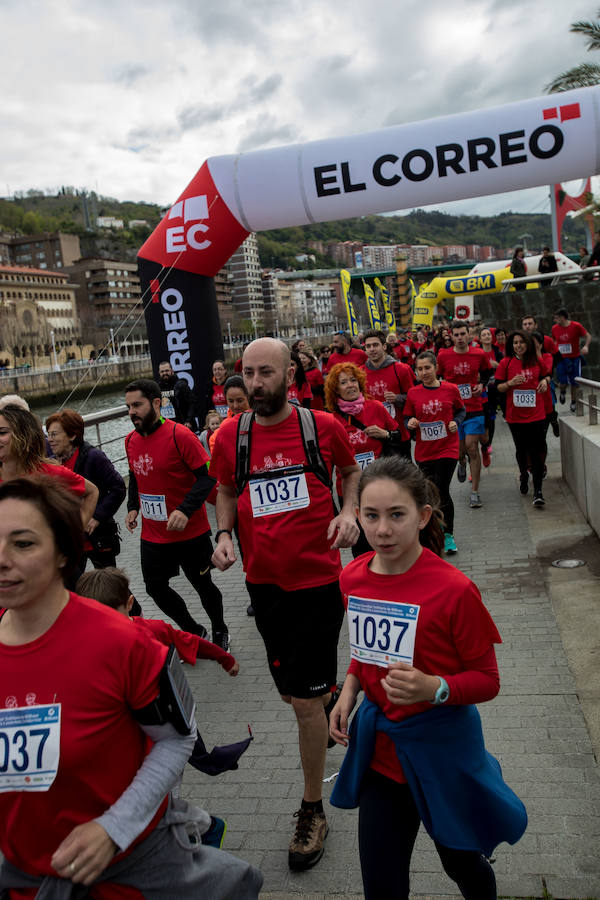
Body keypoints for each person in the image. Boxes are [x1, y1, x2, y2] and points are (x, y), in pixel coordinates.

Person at [0, 475, 262, 899]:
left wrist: (113, 827)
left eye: (23, 543)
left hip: (128, 868)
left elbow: (178, 740)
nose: (2, 559)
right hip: (22, 875)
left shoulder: (125, 641)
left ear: (64, 553)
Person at [328, 457, 526, 900]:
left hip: (443, 749)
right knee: (380, 884)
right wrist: (351, 688)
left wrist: (434, 688)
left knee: (462, 864)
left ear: (422, 516)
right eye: (371, 515)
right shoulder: (352, 578)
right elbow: (366, 652)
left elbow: (488, 680)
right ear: (356, 515)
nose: (382, 530)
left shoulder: (454, 589)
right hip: (383, 752)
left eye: (396, 515)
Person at [210, 337, 360, 872]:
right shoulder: (229, 435)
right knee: (295, 695)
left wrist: (350, 513)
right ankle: (337, 698)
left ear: (290, 376)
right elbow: (226, 488)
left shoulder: (322, 427)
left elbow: (351, 473)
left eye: (265, 373)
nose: (253, 383)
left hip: (319, 581)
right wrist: (224, 535)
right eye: (247, 373)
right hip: (263, 585)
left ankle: (312, 809)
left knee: (302, 704)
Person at [124, 379, 229, 648]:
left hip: (189, 532)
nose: (132, 412)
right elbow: (135, 476)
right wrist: (132, 507)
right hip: (153, 535)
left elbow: (208, 478)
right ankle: (193, 630)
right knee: (154, 588)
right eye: (128, 407)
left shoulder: (180, 435)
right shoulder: (130, 441)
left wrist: (185, 508)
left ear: (156, 403)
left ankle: (219, 629)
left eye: (137, 405)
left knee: (203, 586)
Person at [325, 361, 401, 556]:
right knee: (359, 539)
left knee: (382, 532)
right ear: (335, 389)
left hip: (379, 481)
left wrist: (385, 434)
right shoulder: (331, 420)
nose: (350, 385)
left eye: (353, 380)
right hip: (350, 488)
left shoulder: (375, 407)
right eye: (344, 382)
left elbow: (399, 437)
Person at [45, 408, 126, 570]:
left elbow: (118, 488)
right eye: (48, 434)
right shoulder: (52, 463)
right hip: (71, 541)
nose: (50, 440)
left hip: (97, 537)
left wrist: (97, 516)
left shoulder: (93, 457)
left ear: (73, 435)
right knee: (71, 589)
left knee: (111, 590)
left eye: (55, 434)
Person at [404, 350, 465, 555]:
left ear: (436, 368)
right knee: (430, 493)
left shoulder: (451, 389)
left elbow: (461, 410)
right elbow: (407, 418)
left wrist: (456, 422)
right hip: (424, 451)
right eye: (420, 369)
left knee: (442, 488)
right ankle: (434, 530)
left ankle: (448, 534)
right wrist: (410, 423)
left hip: (448, 447)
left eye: (427, 368)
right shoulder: (413, 393)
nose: (424, 372)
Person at [0, 404, 98, 529]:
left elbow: (92, 492)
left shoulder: (49, 473)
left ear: (24, 436)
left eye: (2, 432)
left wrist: (76, 531)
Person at [437, 322, 492, 509]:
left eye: (463, 334)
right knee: (460, 451)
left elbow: (486, 372)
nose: (460, 337)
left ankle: (475, 493)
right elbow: (437, 377)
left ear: (469, 335)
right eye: (456, 334)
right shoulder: (443, 356)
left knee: (472, 447)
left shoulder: (478, 354)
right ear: (451, 336)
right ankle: (461, 462)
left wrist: (481, 385)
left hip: (474, 406)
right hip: (453, 410)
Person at [495, 331, 550, 506]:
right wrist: (510, 383)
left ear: (528, 344)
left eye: (522, 342)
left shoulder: (536, 361)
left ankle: (538, 491)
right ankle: (524, 475)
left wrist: (545, 382)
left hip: (536, 413)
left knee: (536, 450)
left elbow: (547, 375)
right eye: (515, 343)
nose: (518, 345)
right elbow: (498, 388)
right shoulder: (506, 363)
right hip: (515, 415)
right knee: (521, 449)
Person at [363, 329, 414, 459]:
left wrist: (398, 398)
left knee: (402, 476)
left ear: (384, 346)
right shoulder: (360, 373)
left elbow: (414, 398)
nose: (372, 349)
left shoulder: (401, 369)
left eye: (375, 345)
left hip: (398, 433)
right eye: (368, 346)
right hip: (373, 434)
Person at [551, 307, 592, 412]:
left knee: (575, 381)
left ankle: (574, 401)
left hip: (574, 358)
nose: (555, 321)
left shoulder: (576, 326)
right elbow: (554, 340)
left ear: (563, 318)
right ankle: (563, 391)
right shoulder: (554, 328)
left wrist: (586, 346)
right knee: (562, 381)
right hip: (561, 359)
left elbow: (588, 336)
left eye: (556, 318)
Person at [158, 360, 198, 428]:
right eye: (162, 371)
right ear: (159, 373)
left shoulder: (181, 385)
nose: (165, 373)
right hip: (166, 426)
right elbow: (156, 409)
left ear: (172, 371)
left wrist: (188, 421)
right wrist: (162, 422)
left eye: (167, 370)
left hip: (182, 425)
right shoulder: (157, 388)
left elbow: (192, 403)